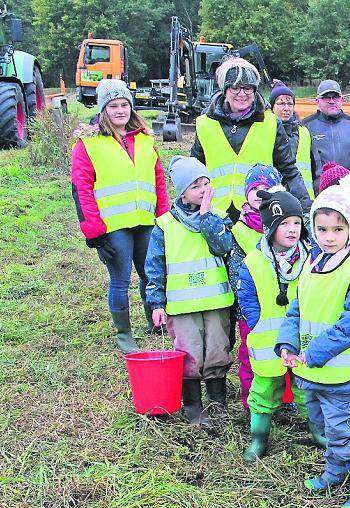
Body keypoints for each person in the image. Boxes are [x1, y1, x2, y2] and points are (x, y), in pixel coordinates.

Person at [276, 175, 350, 508]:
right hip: (310, 366)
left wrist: (316, 352)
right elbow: (297, 307)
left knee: (343, 425)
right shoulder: (312, 261)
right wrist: (287, 344)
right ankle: (335, 471)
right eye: (322, 229)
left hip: (341, 368)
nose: (329, 237)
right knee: (323, 422)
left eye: (338, 229)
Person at [71, 79, 170, 353]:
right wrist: (94, 233)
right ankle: (124, 332)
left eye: (124, 104)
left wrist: (164, 218)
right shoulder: (88, 144)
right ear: (103, 110)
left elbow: (158, 181)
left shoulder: (145, 139)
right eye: (113, 105)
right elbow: (82, 190)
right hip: (114, 227)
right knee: (120, 279)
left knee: (151, 274)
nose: (120, 110)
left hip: (146, 222)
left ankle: (156, 320)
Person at [145, 157, 234, 425]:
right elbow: (154, 267)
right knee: (189, 353)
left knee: (218, 349)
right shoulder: (164, 225)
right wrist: (156, 303)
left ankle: (218, 402)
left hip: (217, 301)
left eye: (207, 183)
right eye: (196, 186)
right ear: (182, 192)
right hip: (182, 306)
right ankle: (193, 406)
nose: (204, 190)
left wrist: (207, 216)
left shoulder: (217, 218)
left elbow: (223, 247)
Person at [238, 188, 312, 462]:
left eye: (297, 223)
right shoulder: (253, 263)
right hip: (267, 344)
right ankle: (259, 439)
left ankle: (318, 432)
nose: (292, 230)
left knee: (307, 389)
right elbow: (247, 300)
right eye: (284, 224)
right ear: (270, 227)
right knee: (263, 391)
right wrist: (256, 323)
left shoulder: (311, 258)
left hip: (304, 340)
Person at [191, 58, 309, 216]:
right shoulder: (205, 124)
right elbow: (194, 172)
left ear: (254, 91)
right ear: (224, 89)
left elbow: (288, 170)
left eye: (247, 88)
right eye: (235, 88)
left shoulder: (271, 123)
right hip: (215, 212)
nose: (241, 94)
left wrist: (306, 208)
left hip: (260, 213)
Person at [228, 164, 281, 411]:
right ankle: (253, 403)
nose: (260, 193)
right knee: (252, 355)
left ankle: (284, 399)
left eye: (266, 188)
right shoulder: (239, 230)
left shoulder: (286, 226)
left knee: (284, 352)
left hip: (281, 307)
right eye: (255, 188)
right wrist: (248, 309)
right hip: (251, 308)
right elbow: (236, 272)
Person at [301, 79, 350, 188]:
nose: (332, 101)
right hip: (317, 192)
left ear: (342, 99)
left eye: (335, 97)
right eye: (326, 97)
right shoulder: (304, 127)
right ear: (317, 101)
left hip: (349, 190)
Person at [269, 80, 315, 199]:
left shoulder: (304, 131)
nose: (286, 108)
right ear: (272, 106)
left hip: (303, 198)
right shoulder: (266, 131)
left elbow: (316, 170)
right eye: (281, 103)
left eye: (290, 104)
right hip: (273, 197)